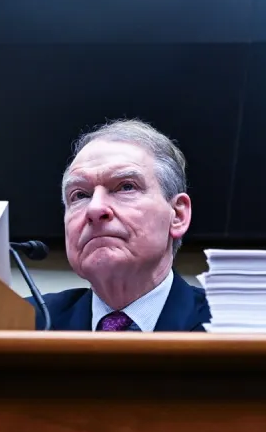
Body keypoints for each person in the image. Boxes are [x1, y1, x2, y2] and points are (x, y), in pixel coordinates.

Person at [40, 119, 211, 332]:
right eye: (80, 195)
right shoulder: (22, 322)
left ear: (177, 215)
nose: (95, 209)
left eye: (126, 187)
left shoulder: (233, 327)